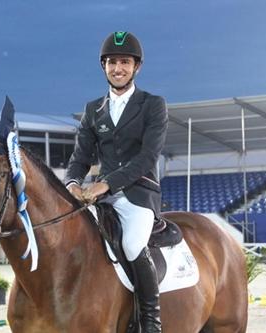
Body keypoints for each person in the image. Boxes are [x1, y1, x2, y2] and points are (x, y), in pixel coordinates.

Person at [64, 31, 168, 332]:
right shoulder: (93, 109)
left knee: (133, 244)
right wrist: (72, 182)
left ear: (136, 67)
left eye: (124, 62)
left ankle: (151, 321)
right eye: (111, 62)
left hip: (139, 194)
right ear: (103, 66)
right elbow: (80, 157)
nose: (117, 68)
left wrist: (105, 184)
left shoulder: (152, 104)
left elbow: (148, 156)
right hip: (100, 197)